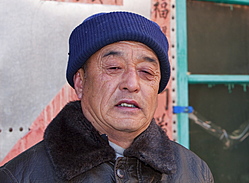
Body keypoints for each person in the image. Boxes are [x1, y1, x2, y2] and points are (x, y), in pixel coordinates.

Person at [0, 11, 214, 182]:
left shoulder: (194, 172)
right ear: (80, 82)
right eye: (113, 67)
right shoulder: (20, 176)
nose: (131, 84)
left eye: (146, 72)